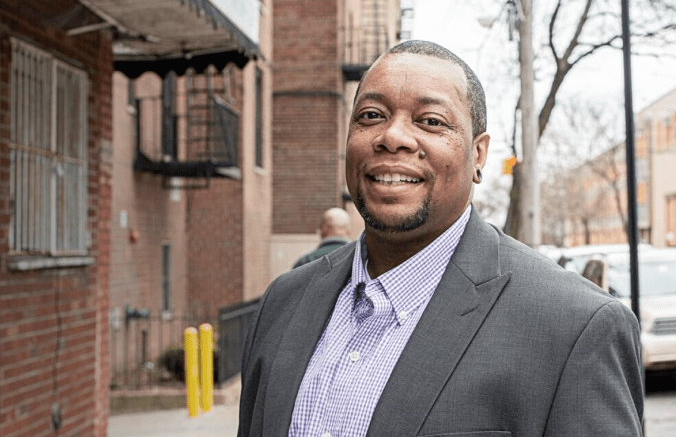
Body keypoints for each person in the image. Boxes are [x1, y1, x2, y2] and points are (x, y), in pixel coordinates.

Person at [236, 40, 643, 437]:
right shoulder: (282, 303)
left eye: (430, 121)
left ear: (478, 155)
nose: (392, 136)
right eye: (371, 115)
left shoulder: (575, 327)